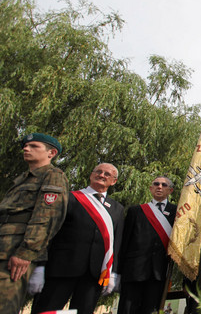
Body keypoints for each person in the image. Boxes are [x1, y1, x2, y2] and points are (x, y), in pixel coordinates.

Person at [31, 163, 125, 314]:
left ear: (114, 181)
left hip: (94, 274)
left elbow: (117, 242)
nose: (101, 175)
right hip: (61, 268)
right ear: (91, 175)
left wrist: (113, 272)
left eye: (107, 174)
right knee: (46, 310)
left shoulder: (117, 208)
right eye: (98, 172)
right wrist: (39, 266)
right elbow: (49, 232)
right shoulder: (68, 198)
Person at [0, 134, 68, 314]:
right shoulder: (22, 178)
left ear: (51, 153)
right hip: (3, 246)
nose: (26, 149)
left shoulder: (53, 176)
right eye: (25, 146)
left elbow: (46, 217)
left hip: (15, 251)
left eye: (34, 146)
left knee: (4, 305)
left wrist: (26, 252)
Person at [117, 176, 177, 314]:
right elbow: (124, 242)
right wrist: (118, 272)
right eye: (156, 184)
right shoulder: (136, 211)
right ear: (151, 188)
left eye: (164, 185)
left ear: (170, 190)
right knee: (127, 309)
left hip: (159, 272)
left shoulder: (178, 213)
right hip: (133, 271)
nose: (159, 187)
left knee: (150, 310)